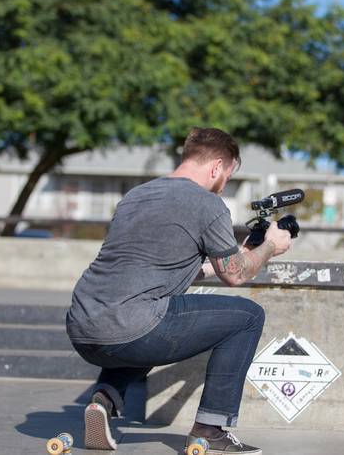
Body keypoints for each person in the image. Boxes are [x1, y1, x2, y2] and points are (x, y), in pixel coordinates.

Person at [65, 127, 292, 454]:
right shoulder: (207, 204)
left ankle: (104, 399)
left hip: (82, 326)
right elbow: (236, 277)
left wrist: (238, 255)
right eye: (227, 175)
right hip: (132, 327)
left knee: (146, 317)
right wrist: (270, 246)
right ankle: (211, 428)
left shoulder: (135, 197)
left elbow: (161, 269)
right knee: (248, 317)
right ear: (216, 167)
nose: (224, 184)